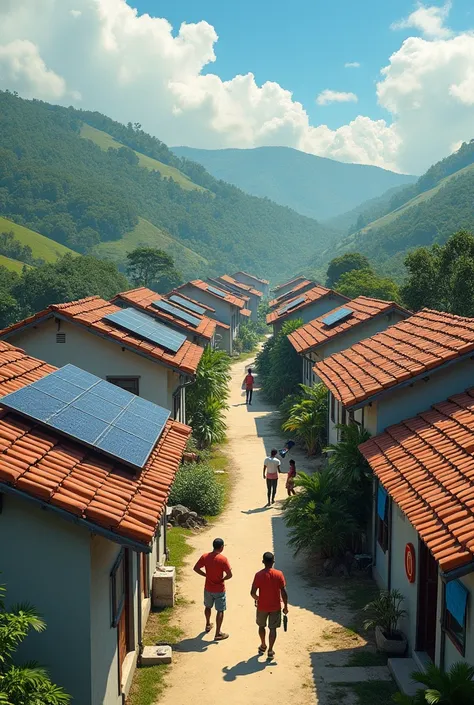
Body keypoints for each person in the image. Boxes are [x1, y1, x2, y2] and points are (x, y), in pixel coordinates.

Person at [251, 551, 288, 660]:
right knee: (273, 629)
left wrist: (258, 599)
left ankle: (263, 645)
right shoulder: (279, 574)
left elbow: (252, 592)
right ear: (273, 562)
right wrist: (285, 606)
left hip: (262, 606)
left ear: (263, 562)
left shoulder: (258, 575)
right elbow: (284, 592)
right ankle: (270, 650)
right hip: (275, 607)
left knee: (261, 626)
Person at [193, 538, 232, 641]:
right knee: (220, 610)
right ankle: (218, 633)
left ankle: (207, 624)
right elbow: (229, 575)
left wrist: (206, 575)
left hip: (208, 588)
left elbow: (196, 568)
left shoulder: (205, 556)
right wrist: (223, 579)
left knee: (208, 607)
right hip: (219, 589)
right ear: (222, 547)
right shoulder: (223, 559)